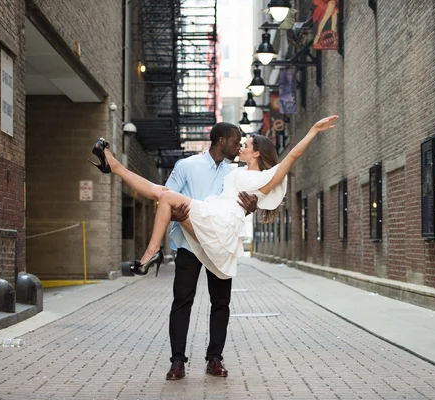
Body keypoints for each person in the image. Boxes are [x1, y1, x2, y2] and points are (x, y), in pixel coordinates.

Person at [90, 115, 338, 377]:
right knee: (181, 297)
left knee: (221, 303)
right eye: (236, 141)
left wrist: (311, 132)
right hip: (192, 237)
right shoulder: (190, 166)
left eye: (244, 143)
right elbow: (167, 197)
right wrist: (178, 217)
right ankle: (177, 360)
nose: (239, 145)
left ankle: (214, 358)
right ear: (222, 141)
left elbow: (282, 167)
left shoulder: (237, 171)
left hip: (219, 227)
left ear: (255, 152)